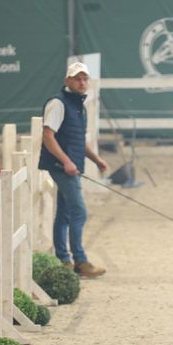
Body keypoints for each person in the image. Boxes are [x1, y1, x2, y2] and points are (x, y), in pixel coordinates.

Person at [38, 62, 108, 277]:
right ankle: (80, 261)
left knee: (65, 213)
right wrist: (66, 161)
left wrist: (96, 159)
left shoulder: (78, 105)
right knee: (79, 211)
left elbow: (79, 140)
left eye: (85, 79)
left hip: (70, 166)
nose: (82, 82)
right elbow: (48, 136)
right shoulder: (58, 104)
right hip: (61, 166)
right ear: (67, 81)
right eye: (77, 78)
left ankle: (63, 259)